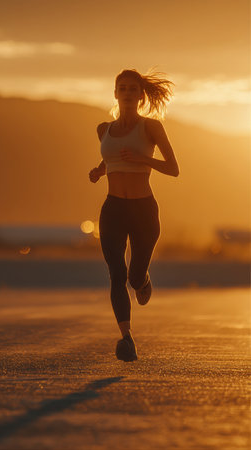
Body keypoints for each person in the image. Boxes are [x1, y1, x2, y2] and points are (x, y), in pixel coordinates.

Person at [89, 69, 179, 362]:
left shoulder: (151, 127)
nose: (127, 92)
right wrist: (99, 171)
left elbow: (173, 168)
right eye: (122, 88)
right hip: (113, 209)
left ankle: (142, 279)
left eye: (132, 89)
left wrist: (142, 159)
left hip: (144, 210)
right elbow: (110, 157)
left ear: (141, 95)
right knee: (116, 274)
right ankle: (126, 338)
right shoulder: (104, 129)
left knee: (133, 275)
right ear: (115, 93)